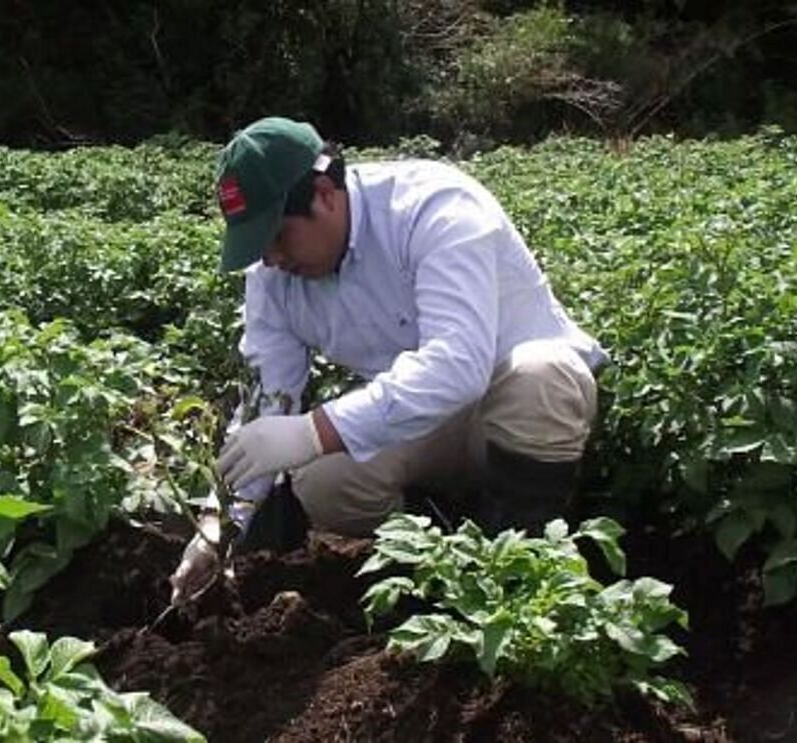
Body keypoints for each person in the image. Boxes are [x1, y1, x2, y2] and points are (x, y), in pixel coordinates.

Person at [170, 116, 607, 603]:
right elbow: (266, 403)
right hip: (425, 421)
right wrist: (216, 525)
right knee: (322, 483)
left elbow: (458, 365)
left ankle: (525, 568)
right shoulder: (273, 278)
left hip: (508, 399)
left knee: (542, 375)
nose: (270, 258)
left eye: (277, 236)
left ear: (324, 194)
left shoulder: (432, 206)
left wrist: (313, 431)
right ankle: (438, 556)